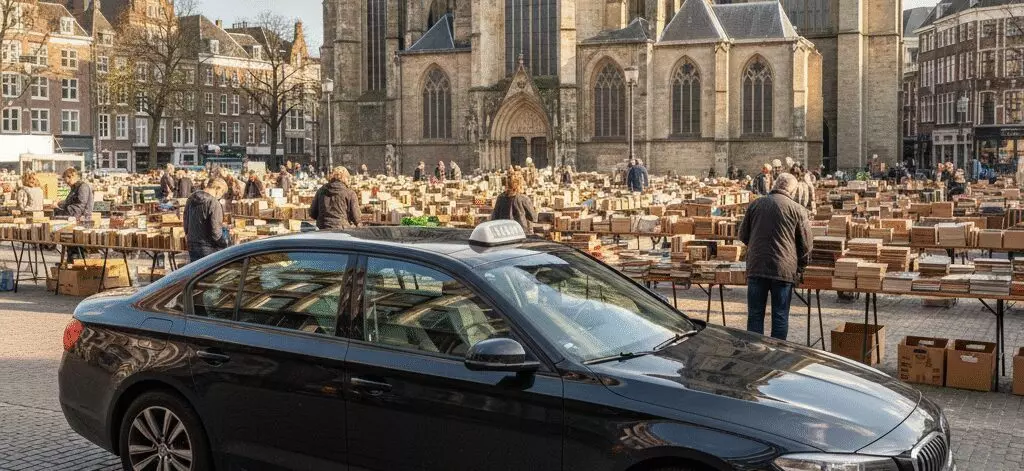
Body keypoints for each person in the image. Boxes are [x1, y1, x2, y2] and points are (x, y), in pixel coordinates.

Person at [739, 173, 811, 341]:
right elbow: (806, 245)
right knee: (780, 315)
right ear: (792, 190)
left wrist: (757, 246)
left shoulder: (756, 204)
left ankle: (755, 351)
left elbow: (743, 235)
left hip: (757, 266)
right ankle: (777, 352)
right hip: (783, 269)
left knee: (755, 315)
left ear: (775, 184)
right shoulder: (797, 209)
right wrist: (801, 267)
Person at [183, 178, 229, 263]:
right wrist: (225, 244)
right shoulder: (214, 202)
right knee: (210, 271)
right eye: (222, 192)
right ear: (217, 188)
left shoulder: (191, 197)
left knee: (197, 270)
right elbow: (216, 231)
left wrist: (188, 236)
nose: (221, 196)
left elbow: (186, 221)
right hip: (208, 247)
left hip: (192, 243)